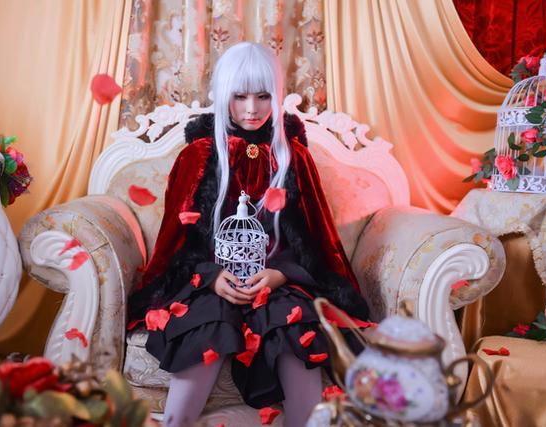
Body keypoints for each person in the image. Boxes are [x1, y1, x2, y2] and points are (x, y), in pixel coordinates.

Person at [128, 42, 369, 427]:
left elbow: (313, 238)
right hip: (209, 281)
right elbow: (178, 240)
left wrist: (281, 274)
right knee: (206, 325)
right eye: (239, 97)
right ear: (224, 96)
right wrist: (211, 276)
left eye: (263, 96)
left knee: (292, 326)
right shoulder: (198, 155)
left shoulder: (294, 156)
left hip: (278, 282)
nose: (252, 109)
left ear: (276, 95)